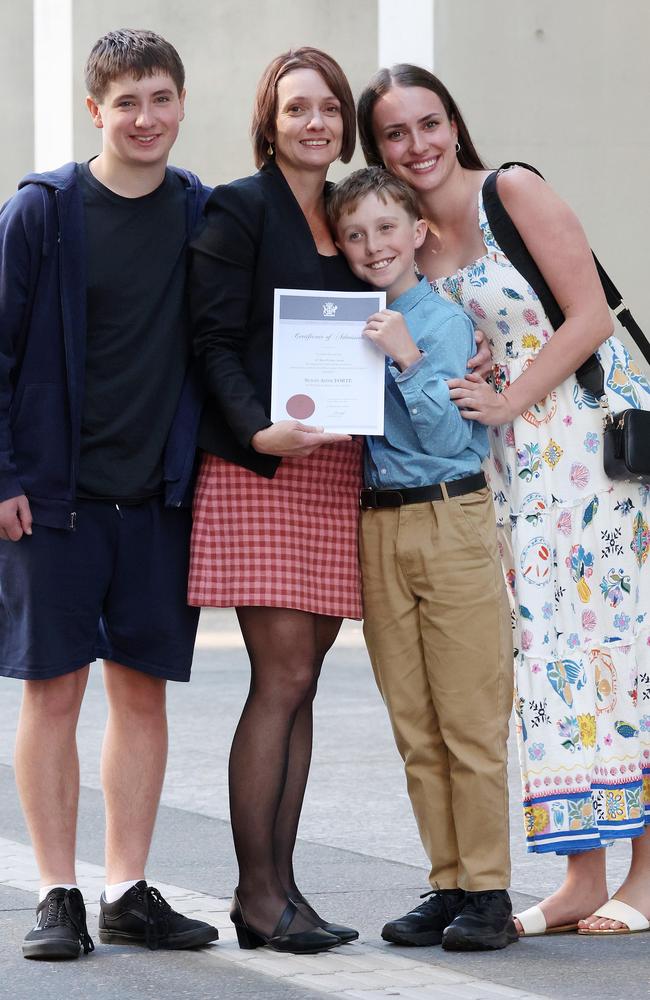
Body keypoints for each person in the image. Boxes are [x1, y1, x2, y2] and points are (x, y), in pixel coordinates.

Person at [357, 64, 650, 938]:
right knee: (548, 660)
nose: (418, 146)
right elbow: (465, 348)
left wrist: (510, 393)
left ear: (454, 123)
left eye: (429, 123)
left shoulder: (509, 191)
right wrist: (476, 375)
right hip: (510, 472)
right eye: (397, 135)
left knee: (620, 650)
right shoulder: (414, 238)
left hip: (588, 452)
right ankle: (581, 875)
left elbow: (590, 315)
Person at [0, 29, 218, 959]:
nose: (145, 118)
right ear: (97, 109)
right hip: (53, 503)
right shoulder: (41, 211)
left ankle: (127, 887)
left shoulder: (202, 212)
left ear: (180, 102)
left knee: (144, 697)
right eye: (125, 101)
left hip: (156, 499)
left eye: (160, 98)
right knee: (53, 695)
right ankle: (58, 893)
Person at [188, 46, 371, 955]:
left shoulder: (348, 215)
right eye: (297, 107)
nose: (316, 122)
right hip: (263, 466)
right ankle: (257, 897)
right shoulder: (240, 206)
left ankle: (284, 893)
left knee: (305, 686)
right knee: (283, 677)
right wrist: (258, 431)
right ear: (271, 119)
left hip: (337, 470)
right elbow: (212, 339)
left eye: (330, 107)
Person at [327, 166, 516, 951]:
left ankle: (489, 895)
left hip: (451, 517)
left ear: (418, 235)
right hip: (379, 529)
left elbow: (447, 441)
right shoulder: (350, 322)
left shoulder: (438, 324)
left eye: (385, 228)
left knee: (470, 721)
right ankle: (446, 883)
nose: (372, 245)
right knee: (415, 724)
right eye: (354, 234)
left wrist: (407, 359)